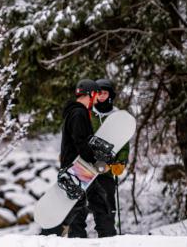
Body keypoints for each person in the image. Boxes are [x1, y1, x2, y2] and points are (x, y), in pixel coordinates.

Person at [40, 79, 99, 237]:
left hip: (75, 164)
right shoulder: (79, 113)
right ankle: (51, 234)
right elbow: (80, 140)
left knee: (77, 203)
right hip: (76, 165)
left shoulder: (75, 112)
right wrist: (93, 159)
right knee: (74, 203)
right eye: (95, 95)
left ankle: (73, 236)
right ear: (91, 94)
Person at [88, 77, 128, 236]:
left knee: (106, 201)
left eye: (104, 93)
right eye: (98, 93)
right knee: (82, 202)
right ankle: (75, 237)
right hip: (87, 165)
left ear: (110, 95)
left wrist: (121, 162)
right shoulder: (88, 114)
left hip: (107, 168)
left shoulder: (117, 117)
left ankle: (108, 234)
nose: (101, 96)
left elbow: (124, 143)